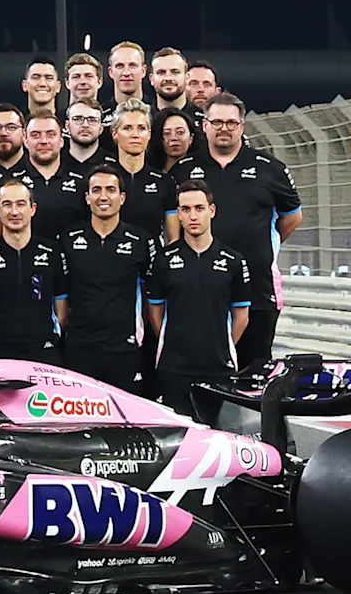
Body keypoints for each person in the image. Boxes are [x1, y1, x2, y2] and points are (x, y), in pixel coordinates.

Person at [177, 98, 303, 373]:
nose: (224, 128)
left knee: (253, 371)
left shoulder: (270, 167)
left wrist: (264, 246)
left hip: (257, 287)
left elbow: (292, 217)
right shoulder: (185, 168)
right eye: (217, 122)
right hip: (201, 290)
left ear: (242, 126)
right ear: (205, 126)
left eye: (231, 123)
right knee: (202, 368)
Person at [146, 182, 256, 416]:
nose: (193, 215)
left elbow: (242, 316)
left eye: (199, 208)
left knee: (219, 436)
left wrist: (219, 346)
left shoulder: (233, 260)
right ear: (179, 214)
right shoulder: (163, 260)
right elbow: (155, 313)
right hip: (174, 369)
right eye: (185, 209)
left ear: (211, 210)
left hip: (219, 369)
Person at [54, 168, 155, 390]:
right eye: (96, 190)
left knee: (126, 423)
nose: (103, 196)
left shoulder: (141, 241)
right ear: (87, 197)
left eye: (110, 190)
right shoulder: (68, 239)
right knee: (80, 423)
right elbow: (60, 292)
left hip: (124, 349)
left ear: (122, 197)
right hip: (79, 347)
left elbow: (151, 296)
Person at [0, 178, 64, 364]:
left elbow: (62, 310)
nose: (14, 212)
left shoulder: (53, 252)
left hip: (44, 352)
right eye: (7, 205)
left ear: (32, 209)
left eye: (21, 204)